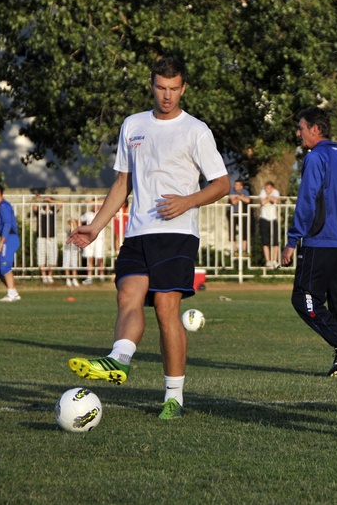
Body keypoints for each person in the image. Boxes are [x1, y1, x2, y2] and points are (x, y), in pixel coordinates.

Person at [67, 56, 229, 419]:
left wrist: (188, 200)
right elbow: (122, 183)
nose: (167, 95)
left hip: (177, 233)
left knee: (166, 310)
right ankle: (118, 359)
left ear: (183, 88)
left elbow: (222, 184)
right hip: (138, 232)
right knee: (128, 296)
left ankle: (174, 397)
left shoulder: (196, 130)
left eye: (173, 89)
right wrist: (96, 226)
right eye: (161, 87)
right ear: (151, 85)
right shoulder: (133, 125)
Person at [281, 107, 337, 377]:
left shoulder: (316, 157)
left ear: (315, 130)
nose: (299, 133)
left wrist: (293, 239)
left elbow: (307, 200)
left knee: (303, 298)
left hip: (321, 242)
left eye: (301, 128)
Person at [0, 184, 21, 302]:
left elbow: (7, 225)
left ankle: (11, 293)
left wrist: (1, 243)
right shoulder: (1, 207)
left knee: (5, 266)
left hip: (9, 238)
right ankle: (14, 292)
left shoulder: (4, 206)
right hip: (6, 238)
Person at [32, 194, 62, 284]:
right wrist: (37, 198)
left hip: (51, 237)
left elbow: (61, 203)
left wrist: (51, 201)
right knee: (41, 256)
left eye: (47, 202)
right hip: (41, 236)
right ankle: (44, 275)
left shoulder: (53, 210)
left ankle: (50, 275)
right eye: (44, 202)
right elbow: (33, 206)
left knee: (52, 256)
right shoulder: (40, 211)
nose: (46, 203)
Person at [80, 200, 105, 284]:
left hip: (99, 238)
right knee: (89, 258)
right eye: (93, 205)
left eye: (96, 205)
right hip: (89, 238)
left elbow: (105, 201)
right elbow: (80, 220)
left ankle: (101, 276)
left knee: (99, 257)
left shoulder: (101, 213)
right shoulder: (87, 214)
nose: (94, 207)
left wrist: (93, 201)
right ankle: (89, 277)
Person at [259, 180, 281, 267]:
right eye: (266, 188)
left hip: (273, 218)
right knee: (265, 241)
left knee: (275, 240)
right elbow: (262, 202)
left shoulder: (276, 192)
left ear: (273, 188)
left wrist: (268, 198)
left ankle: (275, 260)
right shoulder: (262, 192)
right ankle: (268, 260)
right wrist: (269, 198)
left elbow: (276, 200)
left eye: (269, 188)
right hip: (264, 218)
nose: (267, 190)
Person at [228, 179, 251, 256]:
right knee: (232, 230)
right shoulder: (232, 191)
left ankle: (244, 250)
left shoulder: (245, 191)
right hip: (233, 213)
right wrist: (240, 197)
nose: (235, 186)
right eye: (235, 185)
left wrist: (238, 197)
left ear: (241, 186)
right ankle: (235, 249)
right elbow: (233, 202)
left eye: (237, 185)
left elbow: (247, 200)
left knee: (244, 230)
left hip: (243, 213)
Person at [62, 217, 81, 287]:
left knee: (74, 263)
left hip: (74, 248)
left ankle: (74, 278)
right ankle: (68, 278)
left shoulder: (77, 230)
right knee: (66, 262)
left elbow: (76, 231)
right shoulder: (67, 230)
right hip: (67, 248)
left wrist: (74, 222)